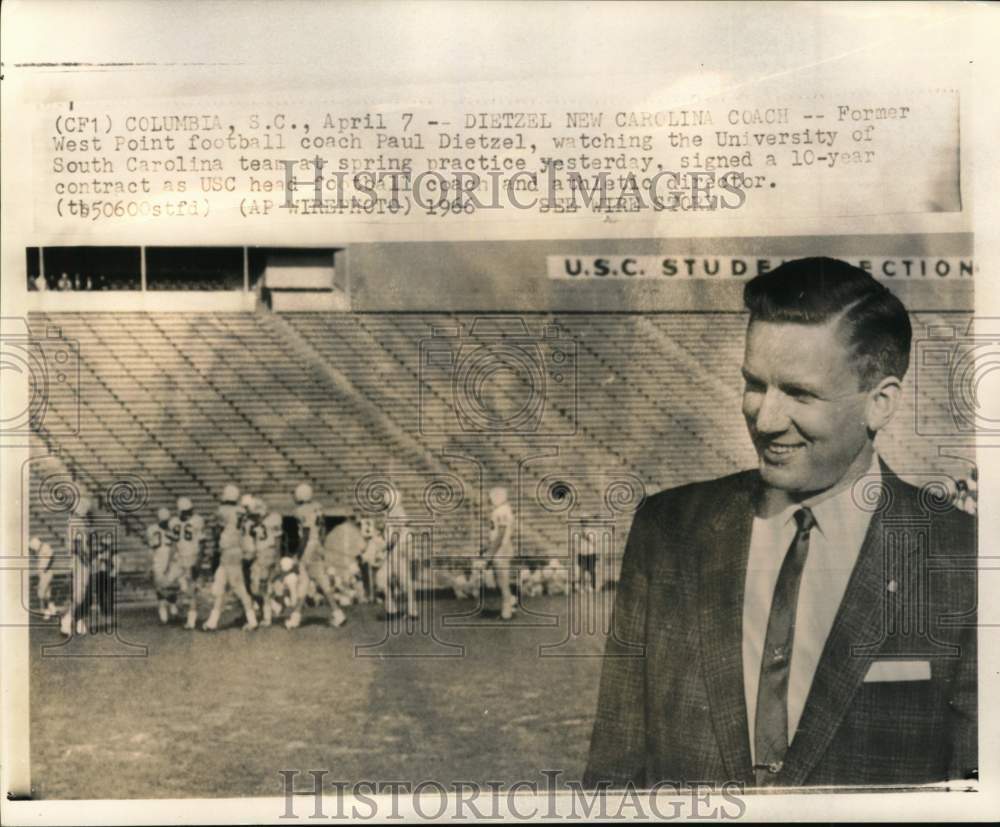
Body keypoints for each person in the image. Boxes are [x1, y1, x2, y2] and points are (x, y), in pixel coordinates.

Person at [585, 258, 976, 789]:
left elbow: (975, 789)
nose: (764, 420)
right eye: (754, 384)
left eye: (798, 393)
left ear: (880, 404)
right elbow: (613, 777)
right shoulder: (669, 532)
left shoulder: (964, 557)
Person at [286, 482, 346, 628]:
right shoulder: (317, 506)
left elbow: (305, 535)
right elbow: (322, 529)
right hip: (317, 543)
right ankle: (296, 617)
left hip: (309, 547)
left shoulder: (301, 510)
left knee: (317, 581)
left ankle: (337, 613)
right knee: (307, 581)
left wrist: (298, 554)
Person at [203, 484, 258, 631]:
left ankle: (252, 621)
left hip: (228, 551)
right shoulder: (241, 511)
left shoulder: (223, 511)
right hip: (235, 549)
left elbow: (217, 531)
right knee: (220, 585)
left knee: (238, 587)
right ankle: (212, 622)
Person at [481, 486, 517, 620]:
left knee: (502, 580)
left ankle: (507, 610)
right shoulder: (502, 510)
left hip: (501, 548)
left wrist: (491, 552)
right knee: (499, 579)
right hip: (501, 547)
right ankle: (511, 601)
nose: (490, 500)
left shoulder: (502, 511)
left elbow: (501, 534)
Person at [175, 496, 205, 629]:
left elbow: (202, 542)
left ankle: (191, 620)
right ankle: (189, 614)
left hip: (191, 556)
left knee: (190, 589)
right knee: (183, 588)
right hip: (180, 558)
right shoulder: (177, 522)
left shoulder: (197, 521)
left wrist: (199, 560)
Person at [148, 507, 182, 624]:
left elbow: (176, 546)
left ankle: (172, 604)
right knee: (160, 584)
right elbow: (152, 548)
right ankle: (162, 607)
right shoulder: (153, 530)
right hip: (159, 559)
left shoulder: (171, 529)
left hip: (170, 558)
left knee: (172, 583)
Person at [30, 536, 58, 619]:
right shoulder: (39, 550)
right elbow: (40, 558)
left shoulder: (45, 546)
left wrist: (47, 568)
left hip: (46, 573)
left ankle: (47, 612)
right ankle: (53, 609)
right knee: (47, 593)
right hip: (43, 573)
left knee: (42, 593)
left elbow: (52, 556)